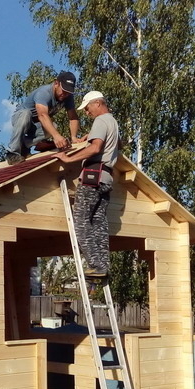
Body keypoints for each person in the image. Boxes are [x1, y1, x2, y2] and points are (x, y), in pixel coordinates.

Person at [55, 90, 119, 279]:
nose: (87, 112)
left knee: (81, 222)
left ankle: (95, 265)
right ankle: (103, 266)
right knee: (99, 223)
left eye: (88, 107)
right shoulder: (112, 122)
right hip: (106, 179)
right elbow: (118, 144)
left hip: (93, 175)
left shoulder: (100, 121)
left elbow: (96, 148)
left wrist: (68, 158)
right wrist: (91, 135)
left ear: (98, 103)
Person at [5, 71, 80, 165]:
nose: (65, 94)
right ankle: (12, 153)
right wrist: (57, 137)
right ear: (56, 83)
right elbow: (42, 115)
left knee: (53, 127)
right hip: (21, 119)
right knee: (26, 114)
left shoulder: (67, 97)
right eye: (63, 91)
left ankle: (24, 145)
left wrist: (74, 137)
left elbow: (73, 117)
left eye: (68, 92)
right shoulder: (44, 93)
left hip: (36, 126)